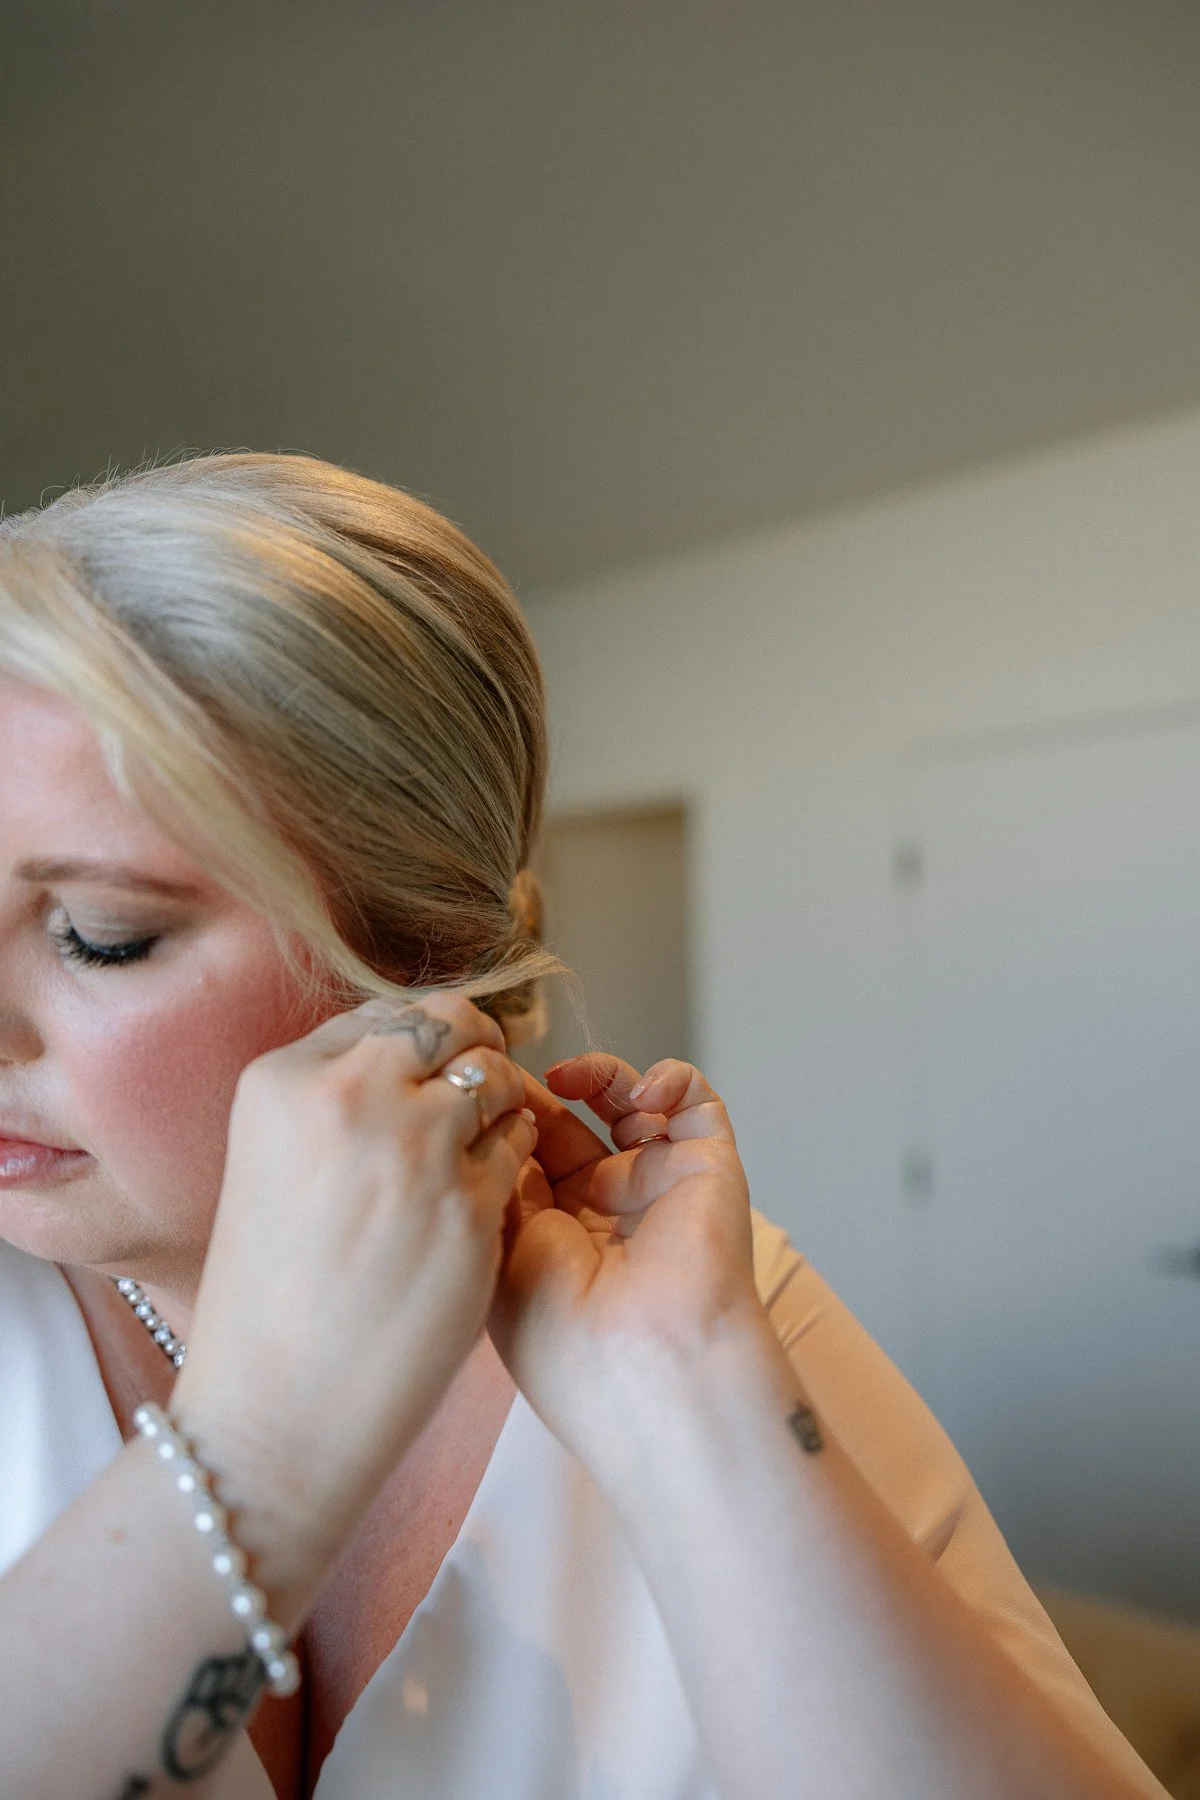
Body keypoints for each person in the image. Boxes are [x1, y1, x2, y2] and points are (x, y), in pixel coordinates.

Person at [0, 452, 1167, 1800]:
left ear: (414, 951)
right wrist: (257, 1452)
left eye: (100, 935)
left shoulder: (695, 1303)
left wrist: (690, 1391)